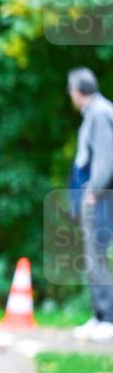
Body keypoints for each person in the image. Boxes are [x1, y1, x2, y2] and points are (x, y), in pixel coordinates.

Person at [66, 67, 113, 342]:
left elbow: (106, 157)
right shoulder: (95, 112)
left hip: (101, 196)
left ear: (77, 90)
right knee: (92, 256)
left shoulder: (100, 112)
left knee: (97, 255)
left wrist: (94, 190)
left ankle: (108, 318)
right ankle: (99, 315)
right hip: (97, 194)